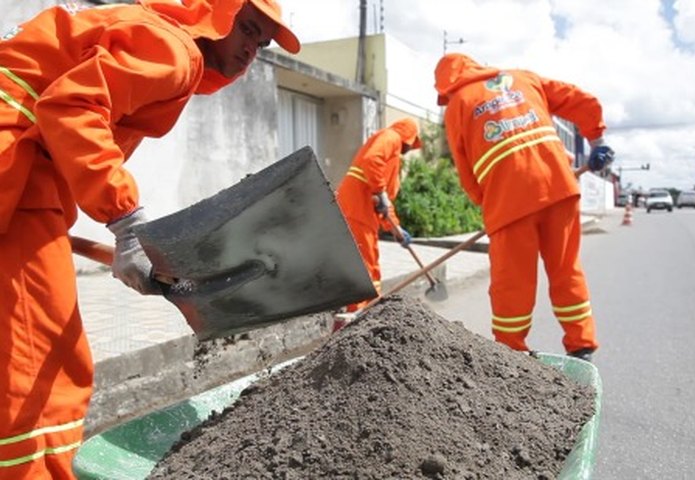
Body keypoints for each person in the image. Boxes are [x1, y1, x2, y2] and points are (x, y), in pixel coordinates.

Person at [0, 1, 299, 477]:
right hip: (13, 170)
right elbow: (69, 107)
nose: (251, 50)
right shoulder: (174, 51)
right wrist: (126, 223)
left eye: (261, 43)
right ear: (216, 16)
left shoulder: (157, 38)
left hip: (20, 177)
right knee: (44, 368)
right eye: (247, 28)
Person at [433, 53, 614, 362]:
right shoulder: (523, 77)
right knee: (566, 269)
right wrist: (596, 141)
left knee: (512, 281)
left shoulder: (458, 105)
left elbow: (465, 171)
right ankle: (580, 345)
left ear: (446, 86)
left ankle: (511, 352)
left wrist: (488, 203)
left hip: (509, 202)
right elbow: (582, 100)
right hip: (558, 187)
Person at [335, 119, 422, 318]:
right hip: (356, 207)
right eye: (412, 143)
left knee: (367, 259)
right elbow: (371, 159)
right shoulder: (390, 137)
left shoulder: (393, 159)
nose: (411, 148)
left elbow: (385, 205)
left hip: (362, 211)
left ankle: (366, 309)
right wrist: (380, 191)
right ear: (408, 137)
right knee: (365, 262)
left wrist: (396, 230)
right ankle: (359, 312)